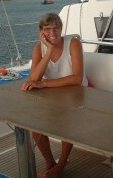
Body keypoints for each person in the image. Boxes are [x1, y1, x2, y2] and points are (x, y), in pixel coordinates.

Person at [21, 12, 88, 178]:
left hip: (76, 91)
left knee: (68, 120)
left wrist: (43, 84)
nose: (53, 33)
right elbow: (33, 78)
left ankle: (62, 163)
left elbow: (77, 78)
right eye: (48, 29)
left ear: (61, 29)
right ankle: (50, 162)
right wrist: (49, 50)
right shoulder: (39, 48)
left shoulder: (73, 43)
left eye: (56, 28)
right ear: (41, 32)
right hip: (53, 93)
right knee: (35, 124)